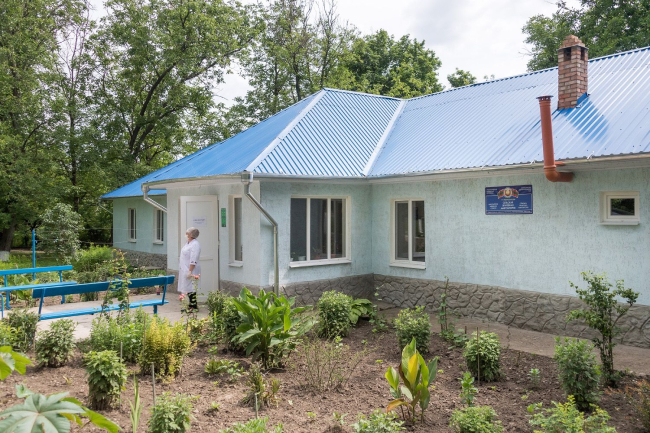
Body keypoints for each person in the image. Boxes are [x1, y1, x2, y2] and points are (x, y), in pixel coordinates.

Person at [178, 227, 201, 312]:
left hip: (191, 269)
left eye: (187, 233)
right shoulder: (188, 243)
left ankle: (193, 306)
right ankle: (190, 305)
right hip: (185, 269)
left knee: (191, 288)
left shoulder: (195, 244)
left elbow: (193, 258)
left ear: (191, 235)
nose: (186, 235)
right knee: (186, 287)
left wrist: (190, 271)